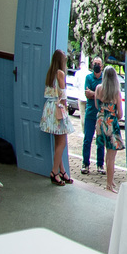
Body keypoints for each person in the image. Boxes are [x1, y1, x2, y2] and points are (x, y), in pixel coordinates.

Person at [39, 50, 75, 187]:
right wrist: (65, 110)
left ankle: (62, 170)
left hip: (49, 108)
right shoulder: (60, 73)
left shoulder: (50, 73)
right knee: (62, 142)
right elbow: (63, 93)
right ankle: (54, 172)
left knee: (57, 141)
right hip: (57, 109)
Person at [95, 67, 125, 193]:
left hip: (101, 122)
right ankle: (109, 185)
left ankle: (110, 180)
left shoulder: (98, 88)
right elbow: (120, 115)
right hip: (111, 123)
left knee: (107, 154)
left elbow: (97, 105)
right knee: (111, 156)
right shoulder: (116, 92)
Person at [81, 58, 105, 175]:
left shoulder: (104, 79)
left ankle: (100, 164)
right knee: (87, 139)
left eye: (98, 64)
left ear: (102, 65)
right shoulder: (88, 78)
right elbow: (87, 94)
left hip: (101, 113)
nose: (97, 66)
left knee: (100, 140)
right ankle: (85, 163)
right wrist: (98, 94)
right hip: (90, 113)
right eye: (95, 64)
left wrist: (94, 93)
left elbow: (105, 96)